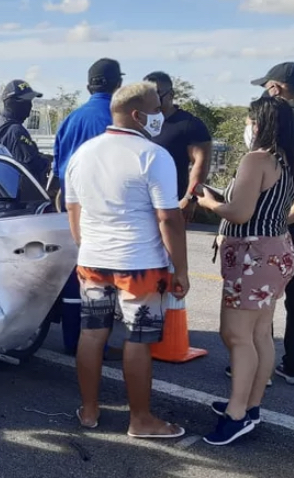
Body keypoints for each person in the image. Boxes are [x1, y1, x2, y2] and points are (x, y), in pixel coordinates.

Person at [65, 81, 188, 439]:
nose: (160, 114)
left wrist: (85, 245)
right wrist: (181, 269)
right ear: (138, 114)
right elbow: (168, 218)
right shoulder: (153, 155)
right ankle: (140, 419)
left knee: (92, 334)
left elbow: (73, 208)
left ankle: (89, 410)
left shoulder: (83, 153)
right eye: (156, 108)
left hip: (93, 260)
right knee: (138, 338)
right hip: (140, 264)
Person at [194, 96, 294, 445]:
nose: (248, 127)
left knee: (237, 335)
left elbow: (240, 213)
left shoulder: (257, 159)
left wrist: (209, 203)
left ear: (260, 123)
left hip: (252, 255)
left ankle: (236, 414)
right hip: (277, 249)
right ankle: (250, 406)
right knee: (259, 334)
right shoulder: (290, 160)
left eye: (249, 121)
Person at [53, 58, 126, 358]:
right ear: (119, 85)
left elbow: (57, 167)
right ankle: (97, 344)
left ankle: (73, 339)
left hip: (71, 207)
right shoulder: (116, 120)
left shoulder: (71, 119)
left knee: (76, 275)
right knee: (101, 281)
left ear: (87, 86)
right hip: (103, 211)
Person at [251, 62, 294, 386]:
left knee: (261, 299)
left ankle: (257, 367)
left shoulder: (283, 124)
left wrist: (276, 220)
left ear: (276, 88)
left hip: (277, 224)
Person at [143, 72, 212, 215]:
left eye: (156, 94)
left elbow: (201, 164)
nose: (150, 99)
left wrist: (190, 198)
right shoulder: (139, 121)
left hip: (171, 206)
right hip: (139, 205)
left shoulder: (189, 125)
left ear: (171, 95)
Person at [0, 79, 50, 186]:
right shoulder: (16, 131)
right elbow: (31, 165)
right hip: (18, 191)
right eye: (26, 102)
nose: (30, 106)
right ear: (13, 103)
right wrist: (48, 162)